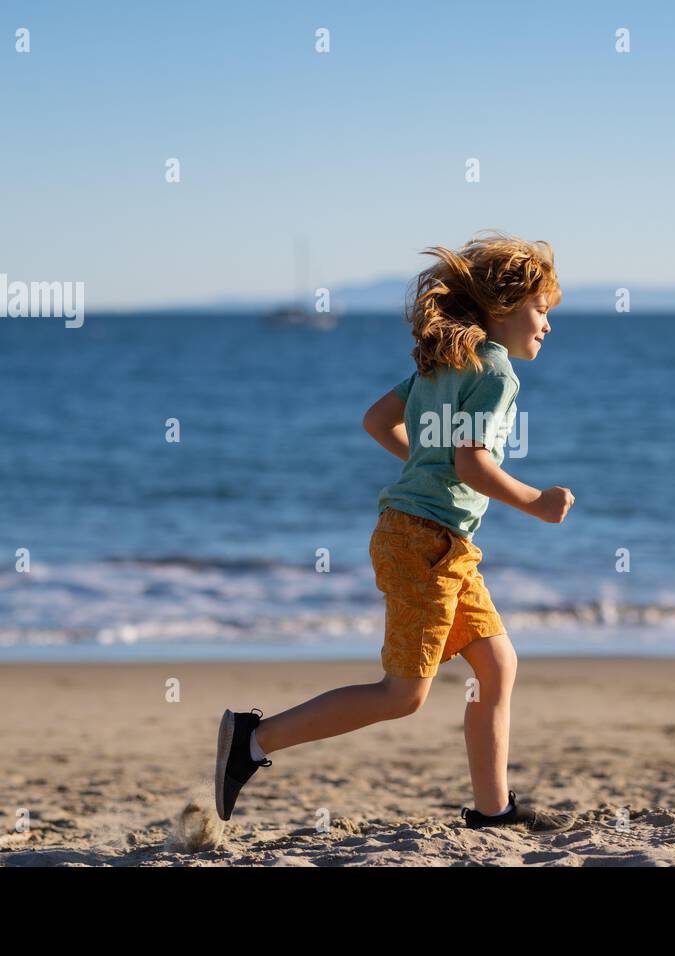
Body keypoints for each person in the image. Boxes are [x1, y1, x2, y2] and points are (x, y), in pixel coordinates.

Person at [215, 230, 575, 831]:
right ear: (506, 307)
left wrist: (421, 467)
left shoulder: (445, 364)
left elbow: (377, 421)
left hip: (436, 542)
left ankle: (494, 812)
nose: (548, 324)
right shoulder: (496, 373)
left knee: (497, 666)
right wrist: (536, 501)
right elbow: (472, 464)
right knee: (401, 695)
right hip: (426, 544)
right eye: (542, 310)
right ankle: (252, 740)